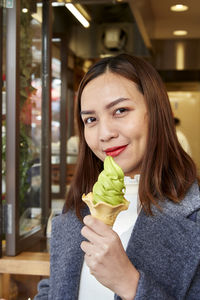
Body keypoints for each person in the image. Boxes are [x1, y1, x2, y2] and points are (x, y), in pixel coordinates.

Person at [34, 54, 200, 300]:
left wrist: (129, 282)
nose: (104, 133)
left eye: (120, 110)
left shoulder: (193, 216)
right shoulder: (77, 210)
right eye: (91, 119)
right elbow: (55, 288)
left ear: (155, 112)